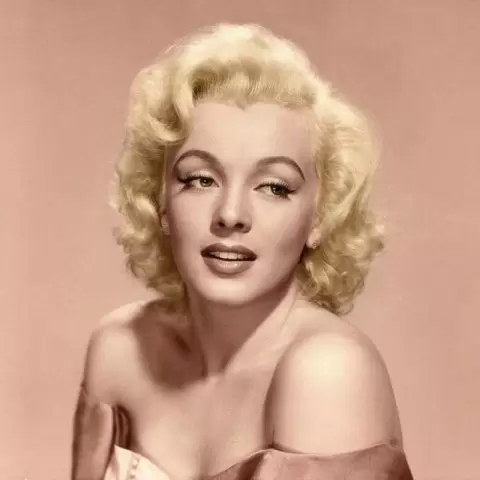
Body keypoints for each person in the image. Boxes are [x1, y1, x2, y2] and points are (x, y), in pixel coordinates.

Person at [71, 23, 414, 480]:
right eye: (201, 179)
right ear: (160, 200)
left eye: (274, 187)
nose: (231, 214)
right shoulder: (118, 350)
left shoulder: (328, 373)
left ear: (320, 217)